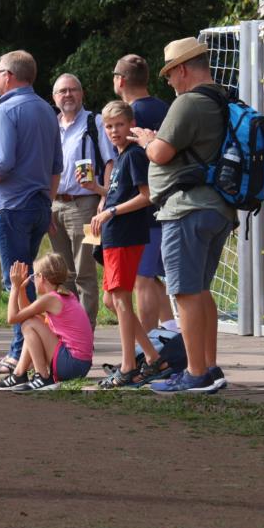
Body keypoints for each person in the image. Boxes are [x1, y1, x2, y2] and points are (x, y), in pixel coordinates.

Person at [130, 37, 236, 393]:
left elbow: (160, 153)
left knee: (185, 293)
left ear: (182, 69)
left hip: (186, 209)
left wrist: (147, 140)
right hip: (216, 207)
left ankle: (194, 374)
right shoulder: (221, 98)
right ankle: (208, 366)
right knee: (201, 291)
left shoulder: (188, 102)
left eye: (170, 74)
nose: (169, 82)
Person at [0, 51, 62, 376]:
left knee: (18, 284)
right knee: (27, 281)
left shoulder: (6, 108)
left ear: (8, 75)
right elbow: (56, 167)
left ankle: (20, 354)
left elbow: (3, 163)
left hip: (11, 205)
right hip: (38, 204)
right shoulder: (48, 111)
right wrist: (47, 202)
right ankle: (33, 349)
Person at [83, 101, 167, 388]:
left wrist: (111, 211)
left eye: (119, 124)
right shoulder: (119, 158)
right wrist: (99, 193)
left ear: (131, 124)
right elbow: (121, 193)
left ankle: (130, 364)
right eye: (109, 126)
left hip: (126, 235)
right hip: (113, 235)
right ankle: (152, 356)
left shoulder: (133, 155)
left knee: (120, 299)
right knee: (112, 300)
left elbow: (147, 195)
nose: (114, 131)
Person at [113, 54, 176, 333]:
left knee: (142, 279)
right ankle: (171, 332)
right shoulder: (166, 107)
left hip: (144, 207)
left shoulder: (132, 114)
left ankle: (148, 346)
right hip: (166, 199)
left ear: (120, 80)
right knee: (152, 277)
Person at [48, 73, 115, 329]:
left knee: (85, 271)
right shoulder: (52, 125)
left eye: (72, 90)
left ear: (81, 94)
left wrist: (103, 195)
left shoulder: (95, 122)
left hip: (86, 205)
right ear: (54, 98)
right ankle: (68, 329)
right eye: (62, 91)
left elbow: (110, 161)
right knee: (62, 273)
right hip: (56, 205)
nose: (68, 95)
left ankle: (85, 330)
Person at [0, 254, 93, 391]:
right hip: (80, 365)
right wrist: (21, 290)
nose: (34, 280)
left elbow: (12, 318)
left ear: (42, 278)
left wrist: (14, 287)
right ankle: (19, 374)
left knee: (28, 324)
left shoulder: (51, 299)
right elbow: (28, 314)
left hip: (71, 365)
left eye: (35, 277)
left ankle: (43, 377)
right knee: (31, 322)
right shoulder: (64, 295)